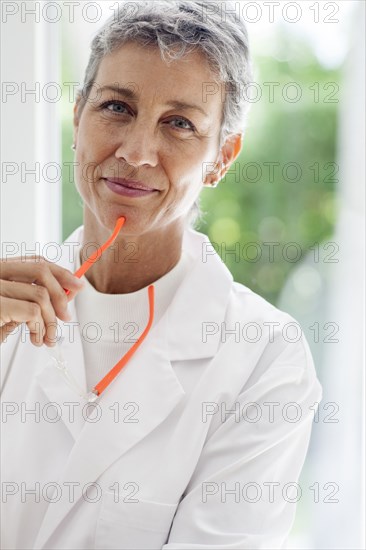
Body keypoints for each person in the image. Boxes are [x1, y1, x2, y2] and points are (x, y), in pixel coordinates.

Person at [0, 1, 322, 548]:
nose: (137, 152)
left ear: (222, 157)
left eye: (179, 124)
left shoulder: (265, 361)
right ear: (77, 117)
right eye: (116, 108)